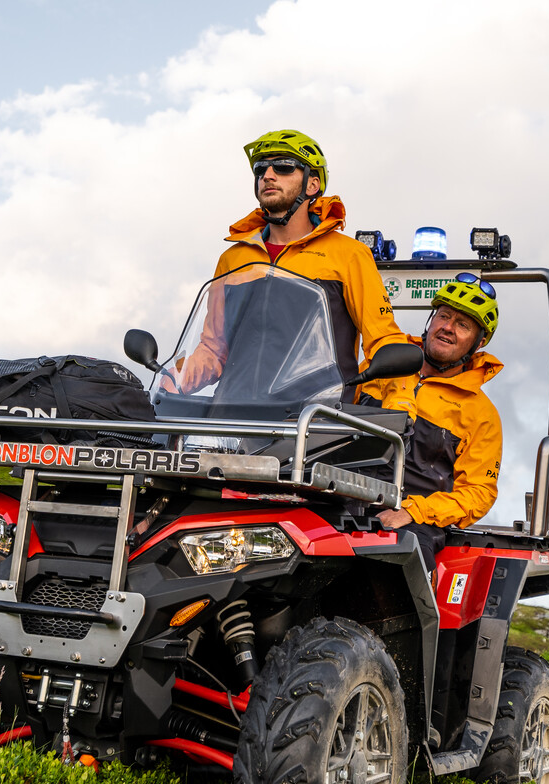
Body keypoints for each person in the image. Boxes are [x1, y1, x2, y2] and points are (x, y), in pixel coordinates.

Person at [168, 129, 405, 395]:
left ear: (312, 185)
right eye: (261, 169)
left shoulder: (349, 254)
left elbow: (384, 341)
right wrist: (169, 381)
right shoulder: (232, 259)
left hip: (318, 423)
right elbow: (212, 350)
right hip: (234, 420)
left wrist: (401, 407)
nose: (267, 175)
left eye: (283, 167)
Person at [358, 273, 503, 565]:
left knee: (400, 562)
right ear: (431, 319)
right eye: (444, 316)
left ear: (480, 341)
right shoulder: (383, 363)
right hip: (337, 495)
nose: (448, 328)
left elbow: (478, 493)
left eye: (462, 325)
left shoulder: (481, 413)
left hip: (410, 519)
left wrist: (414, 511)